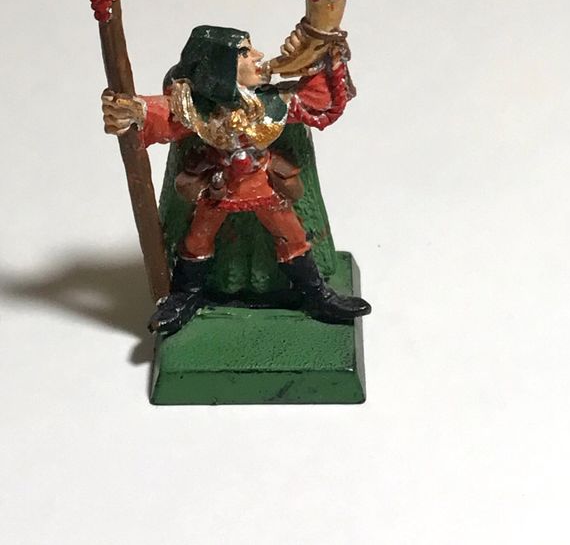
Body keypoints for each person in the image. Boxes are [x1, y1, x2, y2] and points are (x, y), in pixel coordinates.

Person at [102, 23, 371, 334]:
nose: (258, 56)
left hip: (261, 182)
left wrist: (320, 55)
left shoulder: (272, 102)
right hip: (218, 185)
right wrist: (132, 111)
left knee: (292, 235)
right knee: (197, 239)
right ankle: (185, 296)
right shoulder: (198, 108)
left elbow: (319, 101)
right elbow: (163, 116)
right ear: (221, 65)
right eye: (244, 52)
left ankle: (317, 296)